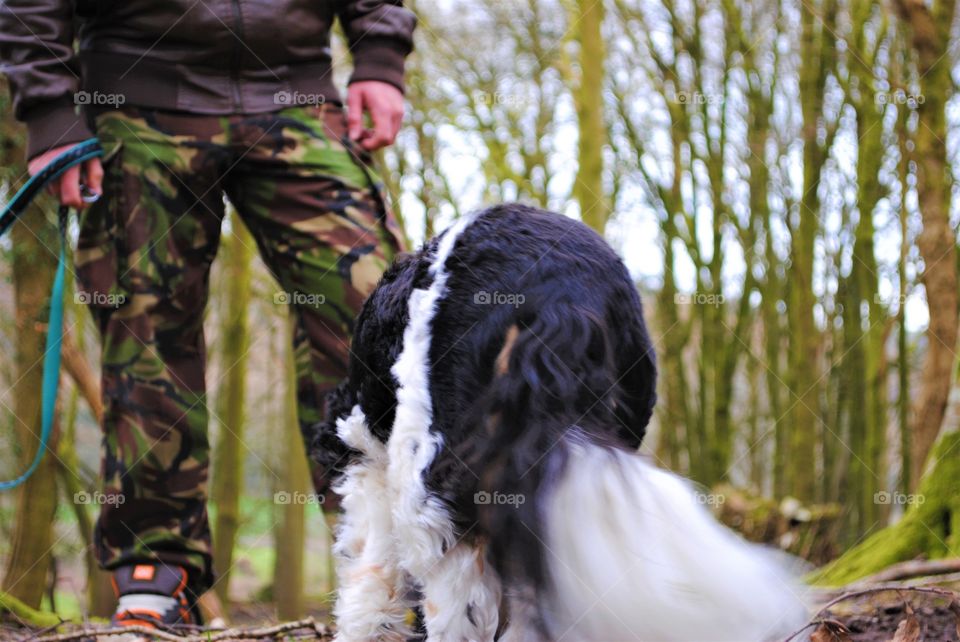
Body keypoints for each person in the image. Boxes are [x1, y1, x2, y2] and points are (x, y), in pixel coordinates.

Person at [0, 0, 415, 627]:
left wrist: (380, 58)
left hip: (297, 90)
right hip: (134, 93)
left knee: (378, 323)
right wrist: (51, 108)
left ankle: (387, 563)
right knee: (145, 333)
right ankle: (157, 578)